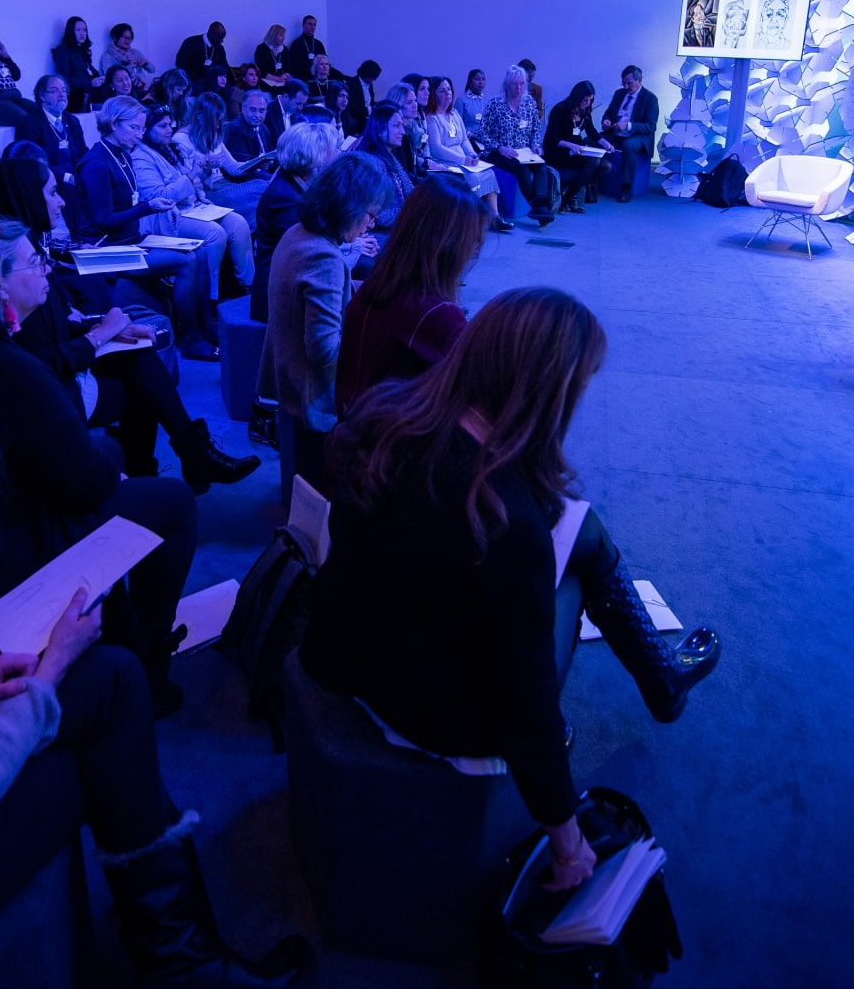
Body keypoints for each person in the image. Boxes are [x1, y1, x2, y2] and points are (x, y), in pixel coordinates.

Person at [0, 345, 310, 988]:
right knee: (91, 747)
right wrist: (47, 675)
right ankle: (181, 959)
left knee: (112, 678)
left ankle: (181, 954)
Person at [302, 288, 721, 888]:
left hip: (351, 651)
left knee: (578, 532)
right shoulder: (503, 518)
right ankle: (663, 681)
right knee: (575, 571)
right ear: (547, 392)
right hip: (426, 713)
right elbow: (523, 698)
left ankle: (662, 679)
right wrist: (567, 840)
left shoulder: (388, 413)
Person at [0, 220, 199, 714]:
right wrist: (109, 477)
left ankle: (127, 630)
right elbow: (82, 484)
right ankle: (151, 659)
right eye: (34, 262)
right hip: (12, 542)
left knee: (112, 454)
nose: (46, 269)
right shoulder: (9, 368)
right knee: (173, 501)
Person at [0, 157, 259, 494]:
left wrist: (106, 329)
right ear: (26, 196)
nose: (62, 201)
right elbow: (40, 362)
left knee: (138, 351)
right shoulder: (6, 269)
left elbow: (55, 328)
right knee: (142, 386)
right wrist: (99, 334)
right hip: (45, 393)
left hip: (58, 366)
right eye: (52, 193)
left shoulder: (26, 247)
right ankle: (163, 469)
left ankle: (168, 466)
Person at [258, 153, 388, 502]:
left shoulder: (297, 234)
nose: (371, 225)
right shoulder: (324, 257)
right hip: (311, 393)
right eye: (370, 215)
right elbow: (325, 352)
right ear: (349, 206)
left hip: (285, 373)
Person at [77, 97, 218, 361]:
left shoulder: (121, 154)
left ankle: (206, 325)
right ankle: (190, 339)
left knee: (199, 251)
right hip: (102, 249)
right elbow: (102, 220)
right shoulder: (96, 163)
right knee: (186, 262)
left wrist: (155, 206)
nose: (140, 134)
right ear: (113, 124)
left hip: (129, 238)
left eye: (141, 128)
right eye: (134, 128)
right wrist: (148, 207)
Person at [334, 173, 483, 416]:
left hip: (356, 425)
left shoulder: (373, 289)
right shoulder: (437, 315)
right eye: (473, 242)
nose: (474, 251)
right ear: (452, 245)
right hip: (392, 435)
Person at [133, 106, 254, 300]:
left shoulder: (171, 148)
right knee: (215, 233)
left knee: (237, 222)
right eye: (162, 126)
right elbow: (158, 196)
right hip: (167, 215)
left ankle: (249, 287)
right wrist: (191, 175)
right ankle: (209, 296)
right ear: (146, 130)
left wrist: (202, 176)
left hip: (192, 206)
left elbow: (197, 182)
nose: (169, 130)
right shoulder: (141, 156)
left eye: (170, 124)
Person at [251, 121, 341, 324]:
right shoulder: (284, 197)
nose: (337, 154)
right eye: (332, 150)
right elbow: (305, 248)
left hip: (295, 274)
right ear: (313, 155)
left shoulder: (298, 182)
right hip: (278, 291)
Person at [426, 75, 511, 231]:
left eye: (449, 89)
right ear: (433, 94)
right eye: (442, 91)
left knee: (488, 173)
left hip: (463, 159)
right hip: (446, 162)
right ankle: (469, 221)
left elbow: (464, 139)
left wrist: (471, 155)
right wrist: (462, 159)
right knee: (472, 178)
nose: (448, 93)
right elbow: (436, 148)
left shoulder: (454, 114)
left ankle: (494, 217)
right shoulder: (432, 118)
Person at [177, 92, 268, 232]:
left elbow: (233, 168)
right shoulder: (181, 140)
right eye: (216, 121)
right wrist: (206, 167)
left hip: (225, 185)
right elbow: (188, 184)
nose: (219, 126)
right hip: (206, 194)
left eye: (220, 121)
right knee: (262, 186)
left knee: (266, 188)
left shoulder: (213, 133)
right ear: (199, 116)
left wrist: (257, 162)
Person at [483, 64, 559, 226]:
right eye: (514, 84)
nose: (519, 88)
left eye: (522, 84)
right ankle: (539, 209)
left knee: (541, 166)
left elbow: (535, 128)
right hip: (500, 151)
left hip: (524, 151)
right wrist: (500, 148)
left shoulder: (529, 102)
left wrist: (535, 145)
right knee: (521, 169)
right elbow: (483, 133)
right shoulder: (495, 104)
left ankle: (540, 208)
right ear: (507, 85)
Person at [544, 80, 611, 214]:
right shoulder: (560, 109)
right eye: (585, 100)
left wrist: (605, 143)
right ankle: (572, 196)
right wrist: (570, 145)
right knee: (593, 162)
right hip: (559, 151)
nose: (587, 103)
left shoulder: (585, 111)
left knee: (606, 166)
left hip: (576, 150)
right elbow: (551, 138)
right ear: (577, 97)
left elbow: (591, 131)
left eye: (590, 100)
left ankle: (570, 193)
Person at [17, 75, 88, 193]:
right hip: (48, 182)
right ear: (42, 96)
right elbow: (34, 162)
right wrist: (67, 177)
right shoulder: (29, 124)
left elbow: (83, 151)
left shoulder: (72, 120)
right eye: (54, 91)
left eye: (64, 90)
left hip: (76, 178)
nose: (61, 94)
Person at [600, 65, 659, 203]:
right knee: (590, 140)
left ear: (640, 80)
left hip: (638, 137)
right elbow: (609, 113)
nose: (626, 87)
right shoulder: (618, 94)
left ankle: (626, 187)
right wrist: (606, 120)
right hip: (616, 133)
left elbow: (650, 126)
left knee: (628, 146)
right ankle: (589, 180)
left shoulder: (650, 98)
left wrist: (628, 125)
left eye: (629, 83)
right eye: (623, 83)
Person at [355, 101, 414, 237]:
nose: (403, 131)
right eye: (396, 126)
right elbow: (378, 215)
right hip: (379, 235)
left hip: (398, 226)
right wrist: (412, 211)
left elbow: (409, 191)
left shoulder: (388, 156)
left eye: (402, 125)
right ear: (380, 129)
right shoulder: (371, 163)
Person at [51, 16, 104, 113]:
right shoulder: (63, 49)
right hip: (76, 97)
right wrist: (90, 83)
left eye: (84, 30)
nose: (82, 33)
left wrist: (99, 79)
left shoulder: (83, 51)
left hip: (89, 93)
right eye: (78, 30)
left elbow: (88, 72)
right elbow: (64, 78)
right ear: (71, 31)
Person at [99, 22, 157, 98]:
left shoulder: (135, 52)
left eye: (129, 38)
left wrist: (146, 64)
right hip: (128, 90)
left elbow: (152, 70)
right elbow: (110, 77)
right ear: (115, 38)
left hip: (146, 86)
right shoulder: (108, 56)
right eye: (124, 38)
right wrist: (129, 66)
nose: (127, 41)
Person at [225, 88, 279, 166]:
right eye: (253, 110)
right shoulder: (235, 129)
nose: (257, 115)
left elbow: (270, 154)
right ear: (243, 109)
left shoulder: (264, 129)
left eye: (261, 110)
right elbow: (242, 162)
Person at [175, 22, 230, 96]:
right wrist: (197, 78)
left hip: (212, 83)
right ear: (212, 35)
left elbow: (225, 66)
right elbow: (180, 63)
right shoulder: (191, 42)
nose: (222, 41)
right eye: (220, 38)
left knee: (231, 91)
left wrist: (234, 82)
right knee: (201, 90)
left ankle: (242, 100)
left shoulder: (219, 48)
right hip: (192, 81)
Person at [288, 14, 327, 84]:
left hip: (319, 79)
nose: (312, 27)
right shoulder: (296, 44)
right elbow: (292, 66)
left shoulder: (318, 44)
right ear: (303, 25)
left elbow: (326, 63)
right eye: (310, 24)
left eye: (314, 25)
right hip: (303, 81)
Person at [349, 59, 381, 135]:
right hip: (358, 119)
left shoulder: (369, 84)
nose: (375, 80)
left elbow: (370, 102)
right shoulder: (352, 84)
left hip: (368, 116)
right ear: (367, 74)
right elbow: (353, 109)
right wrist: (371, 109)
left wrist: (379, 104)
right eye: (374, 77)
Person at [254, 24, 291, 90]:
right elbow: (261, 70)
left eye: (284, 36)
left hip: (281, 81)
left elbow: (288, 66)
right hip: (266, 81)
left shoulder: (284, 49)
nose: (283, 38)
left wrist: (285, 76)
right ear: (273, 36)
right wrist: (277, 79)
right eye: (281, 35)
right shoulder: (261, 49)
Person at [457, 67, 489, 143]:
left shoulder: (489, 99)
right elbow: (457, 125)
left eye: (483, 79)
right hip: (468, 139)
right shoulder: (461, 100)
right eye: (477, 79)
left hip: (487, 138)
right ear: (470, 82)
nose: (481, 82)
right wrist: (472, 136)